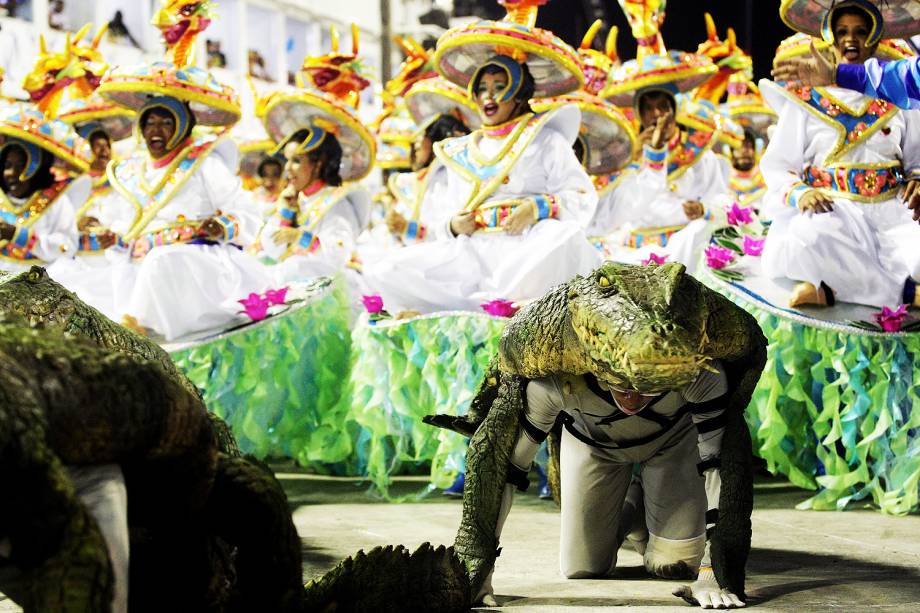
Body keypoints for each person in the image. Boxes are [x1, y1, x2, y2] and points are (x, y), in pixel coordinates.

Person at [364, 53, 600, 313]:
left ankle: (508, 307)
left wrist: (537, 209)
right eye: (482, 89)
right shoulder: (460, 151)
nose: (489, 96)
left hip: (527, 245)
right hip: (473, 250)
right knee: (389, 270)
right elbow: (439, 218)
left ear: (519, 93)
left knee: (564, 238)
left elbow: (581, 195)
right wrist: (453, 225)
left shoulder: (545, 140)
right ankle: (479, 305)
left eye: (499, 87)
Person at [758, 0, 920, 308]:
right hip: (835, 210)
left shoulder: (898, 95)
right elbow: (778, 166)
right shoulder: (804, 99)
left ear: (873, 37)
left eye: (860, 31)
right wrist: (800, 193)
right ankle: (906, 294)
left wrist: (916, 179)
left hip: (893, 210)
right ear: (829, 37)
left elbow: (917, 157)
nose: (851, 39)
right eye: (842, 31)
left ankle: (830, 288)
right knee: (810, 240)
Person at [257, 125, 371, 283]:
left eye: (296, 161)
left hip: (331, 290)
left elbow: (339, 255)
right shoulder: (295, 199)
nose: (287, 168)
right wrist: (285, 213)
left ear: (318, 165)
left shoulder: (336, 203)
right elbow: (273, 249)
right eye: (287, 160)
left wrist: (300, 237)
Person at [0, 107, 89, 273]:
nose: (12, 173)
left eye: (21, 166)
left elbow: (67, 247)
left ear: (37, 168)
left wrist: (20, 236)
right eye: (7, 165)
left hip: (39, 282)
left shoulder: (57, 202)